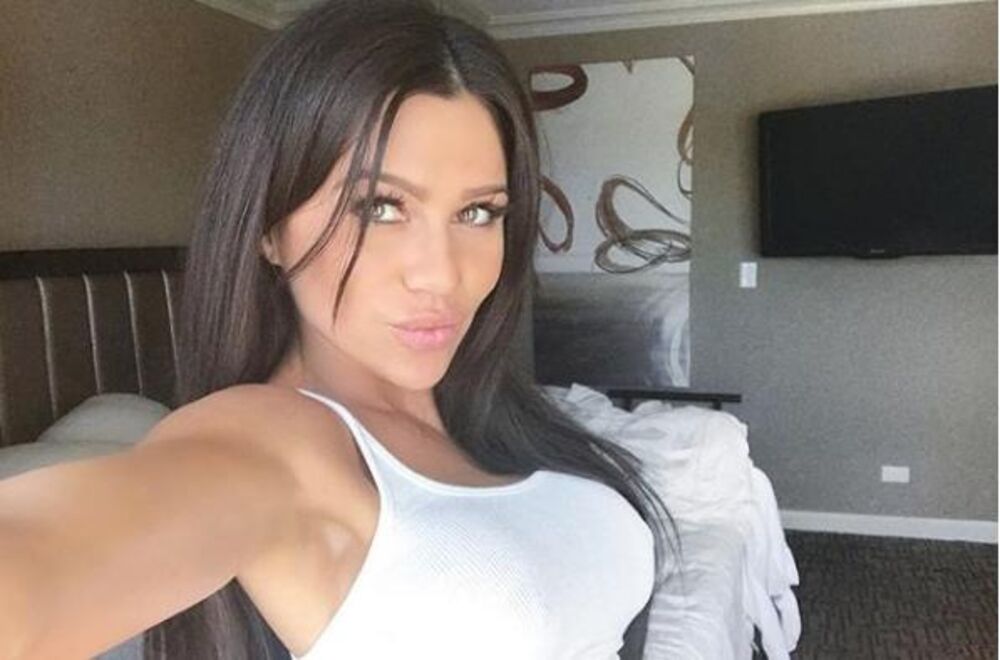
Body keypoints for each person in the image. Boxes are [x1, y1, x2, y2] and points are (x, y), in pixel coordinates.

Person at [0, 1, 683, 658]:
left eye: (478, 213)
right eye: (380, 207)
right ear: (269, 228)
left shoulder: (487, 412)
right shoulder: (268, 446)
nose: (441, 274)